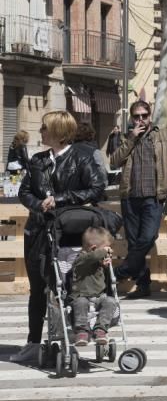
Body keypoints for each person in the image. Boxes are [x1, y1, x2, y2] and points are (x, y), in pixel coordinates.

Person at [12, 110, 107, 363]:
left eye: (44, 128)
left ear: (57, 131)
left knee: (65, 288)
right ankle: (33, 342)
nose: (40, 132)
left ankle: (72, 335)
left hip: (68, 235)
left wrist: (61, 200)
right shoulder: (37, 159)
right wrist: (39, 205)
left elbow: (97, 188)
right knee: (37, 289)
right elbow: (24, 191)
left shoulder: (83, 157)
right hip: (38, 232)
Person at [110, 100, 167, 298]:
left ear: (150, 116)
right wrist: (131, 138)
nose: (141, 120)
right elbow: (114, 161)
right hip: (130, 196)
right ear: (131, 118)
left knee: (147, 238)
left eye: (144, 116)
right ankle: (143, 285)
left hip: (155, 197)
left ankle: (121, 272)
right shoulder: (124, 136)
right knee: (133, 242)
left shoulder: (164, 135)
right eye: (136, 116)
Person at [69, 227, 116, 346]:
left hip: (99, 295)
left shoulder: (96, 260)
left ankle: (100, 329)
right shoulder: (80, 259)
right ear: (94, 249)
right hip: (81, 296)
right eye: (105, 249)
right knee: (80, 303)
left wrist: (103, 265)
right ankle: (82, 330)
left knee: (110, 301)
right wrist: (103, 252)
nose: (108, 252)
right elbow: (89, 259)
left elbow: (95, 266)